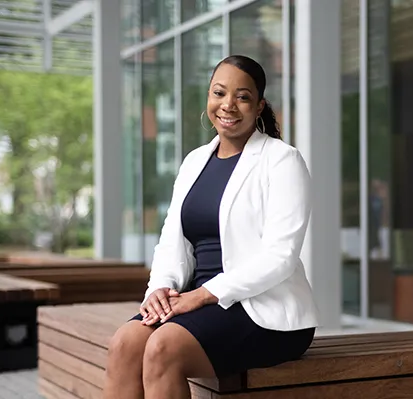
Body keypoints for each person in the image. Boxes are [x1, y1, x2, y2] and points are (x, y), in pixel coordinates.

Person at [104, 55, 319, 399]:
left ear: (259, 105)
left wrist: (202, 295)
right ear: (208, 97)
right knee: (124, 344)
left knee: (163, 348)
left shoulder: (282, 160)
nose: (228, 105)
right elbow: (171, 243)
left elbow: (281, 256)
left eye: (243, 96)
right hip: (196, 301)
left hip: (264, 310)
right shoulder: (194, 162)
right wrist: (159, 289)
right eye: (219, 93)